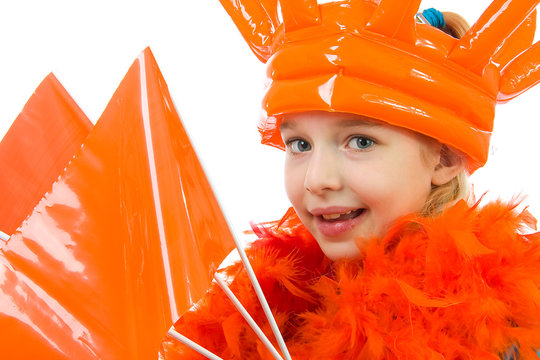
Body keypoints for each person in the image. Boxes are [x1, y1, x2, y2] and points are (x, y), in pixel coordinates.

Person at [160, 0, 540, 358]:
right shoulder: (267, 316)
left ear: (445, 157)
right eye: (299, 143)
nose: (316, 179)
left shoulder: (506, 327)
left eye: (360, 141)